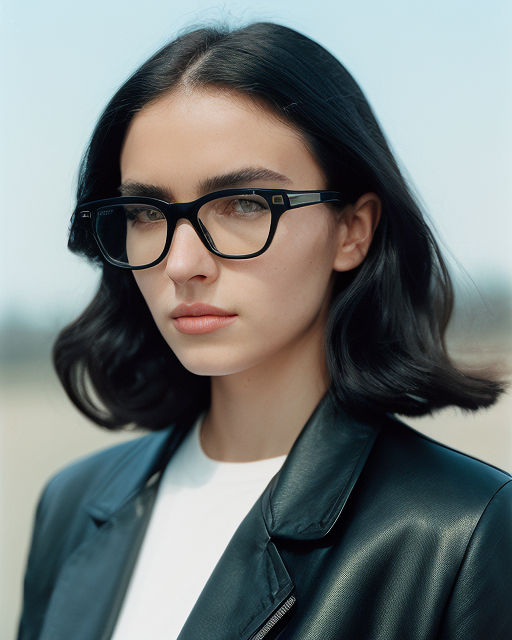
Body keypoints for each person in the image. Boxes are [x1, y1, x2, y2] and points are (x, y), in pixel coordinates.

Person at [17, 20, 511, 640]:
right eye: (146, 212)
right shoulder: (73, 503)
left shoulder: (461, 530)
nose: (181, 264)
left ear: (352, 230)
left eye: (244, 204)